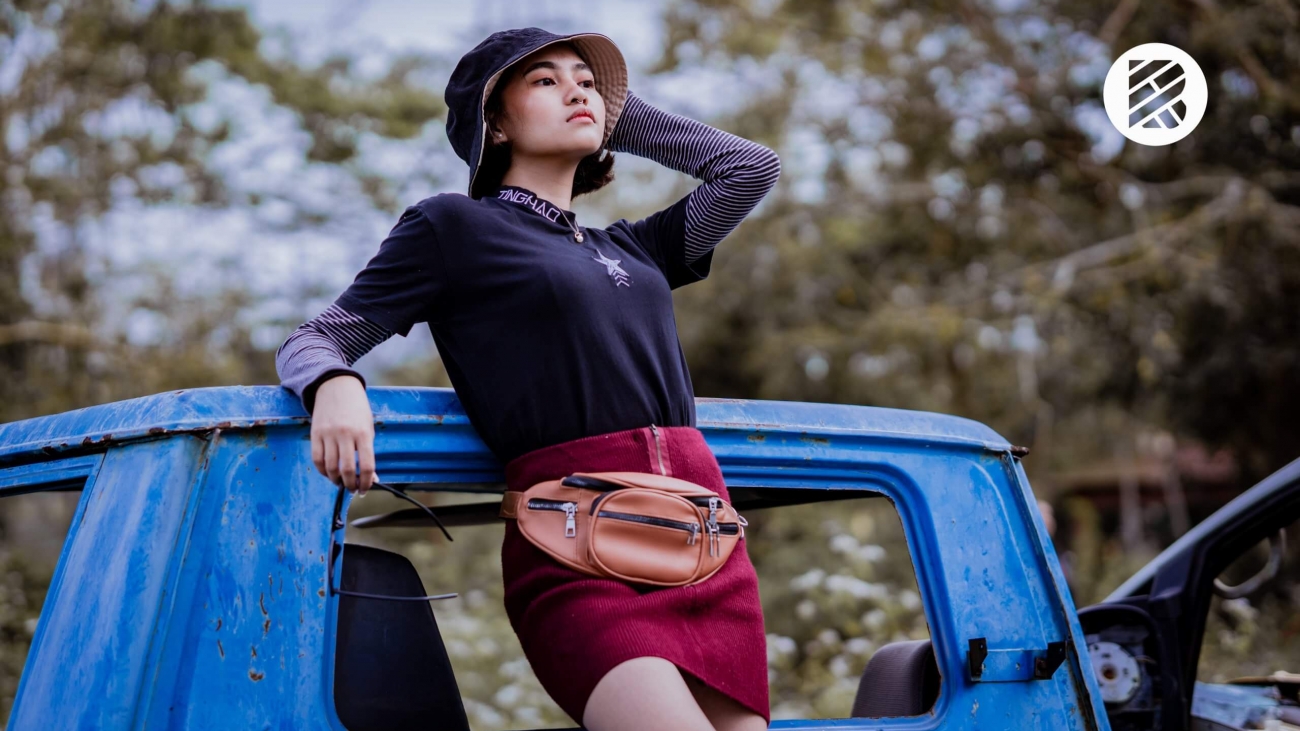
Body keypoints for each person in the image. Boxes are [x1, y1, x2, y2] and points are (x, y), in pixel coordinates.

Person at [276, 27, 781, 731]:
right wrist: (334, 385)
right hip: (576, 552)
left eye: (587, 81)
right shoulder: (454, 228)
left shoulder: (635, 248)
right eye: (546, 81)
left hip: (706, 544)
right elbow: (316, 337)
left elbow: (749, 169)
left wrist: (613, 116)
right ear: (495, 124)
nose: (576, 90)